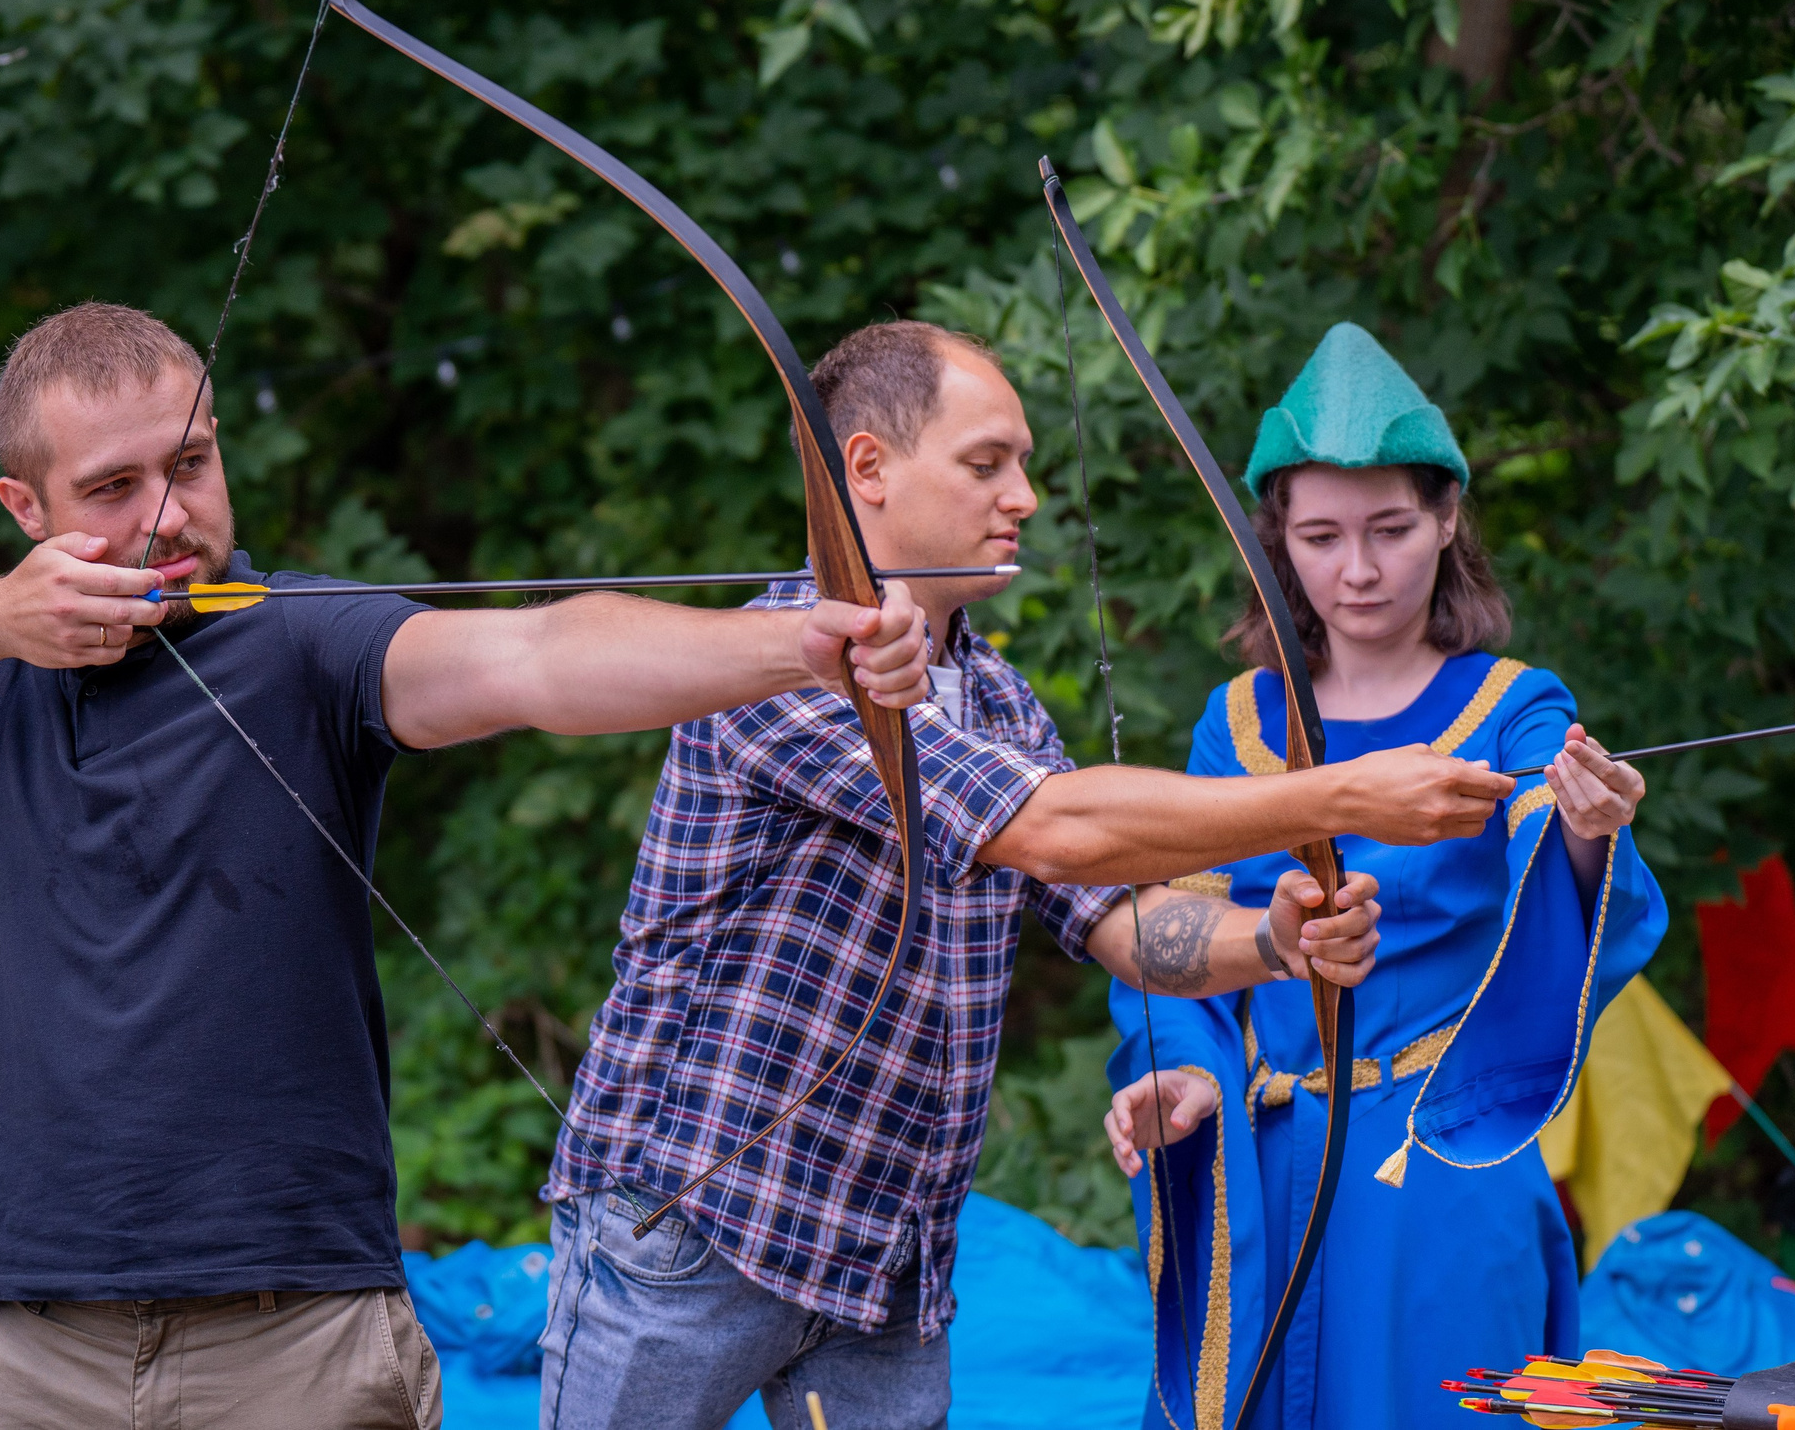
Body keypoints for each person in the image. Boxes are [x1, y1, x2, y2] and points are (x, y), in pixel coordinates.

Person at [0, 301, 937, 1430]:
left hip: (298, 1341)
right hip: (27, 1341)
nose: (166, 516)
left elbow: (537, 659)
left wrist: (794, 649)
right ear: (28, 511)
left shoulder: (308, 645)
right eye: (111, 488)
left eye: (189, 463)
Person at [536, 321, 1522, 1430]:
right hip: (699, 1230)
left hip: (883, 1257)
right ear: (866, 468)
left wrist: (1273, 945)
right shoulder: (781, 667)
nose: (1026, 497)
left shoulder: (997, 701)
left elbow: (1116, 922)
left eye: (1026, 464)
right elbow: (1051, 831)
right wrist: (1337, 795)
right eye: (986, 462)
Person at [1099, 322, 1664, 1430]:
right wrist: (1185, 1074)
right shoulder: (1238, 720)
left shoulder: (1511, 705)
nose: (1356, 570)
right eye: (1318, 536)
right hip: (1261, 1170)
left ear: (1448, 519)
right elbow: (1183, 932)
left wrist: (1591, 827)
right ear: (1276, 542)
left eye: (1391, 528)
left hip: (1438, 1162)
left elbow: (1561, 872)